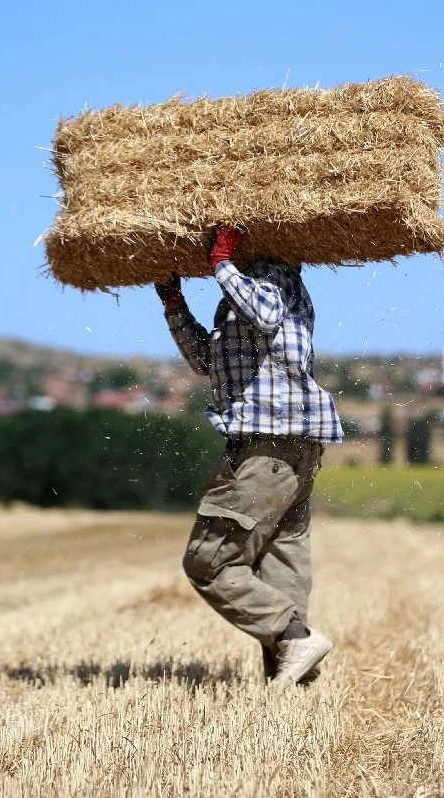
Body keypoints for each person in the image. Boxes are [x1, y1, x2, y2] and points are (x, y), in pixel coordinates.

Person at [154, 225, 343, 687]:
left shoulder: (271, 275)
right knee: (283, 569)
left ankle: (294, 638)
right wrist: (174, 305)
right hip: (294, 452)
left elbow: (265, 311)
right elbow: (207, 360)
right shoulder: (239, 295)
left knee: (208, 562)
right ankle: (295, 689)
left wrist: (221, 262)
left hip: (265, 452)